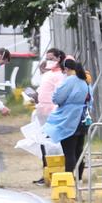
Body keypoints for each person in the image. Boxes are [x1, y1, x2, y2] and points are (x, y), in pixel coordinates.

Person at [44, 59, 92, 180]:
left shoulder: (70, 81)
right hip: (83, 118)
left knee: (69, 152)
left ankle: (68, 179)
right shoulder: (86, 80)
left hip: (69, 118)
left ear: (66, 69)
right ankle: (79, 179)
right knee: (79, 151)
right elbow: (90, 99)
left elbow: (58, 98)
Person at [33, 48, 66, 184]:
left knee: (51, 145)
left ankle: (54, 172)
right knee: (44, 144)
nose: (48, 61)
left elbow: (59, 93)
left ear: (59, 59)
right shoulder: (49, 74)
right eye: (47, 58)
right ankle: (47, 171)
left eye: (51, 58)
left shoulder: (60, 75)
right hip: (43, 112)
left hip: (52, 113)